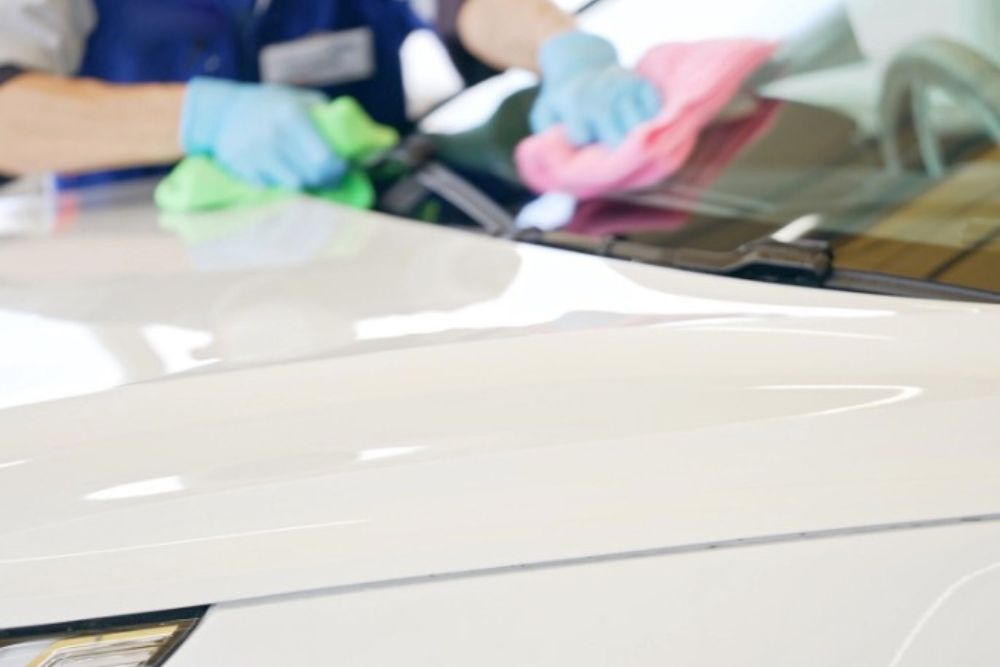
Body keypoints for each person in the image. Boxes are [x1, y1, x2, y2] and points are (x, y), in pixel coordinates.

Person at [0, 0, 662, 190]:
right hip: (143, 279)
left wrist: (562, 49)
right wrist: (204, 120)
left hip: (366, 260)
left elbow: (474, 6)